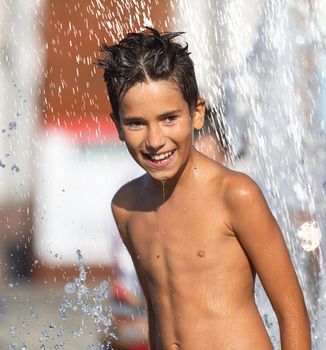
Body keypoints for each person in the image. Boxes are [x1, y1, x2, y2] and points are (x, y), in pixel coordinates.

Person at [97, 28, 311, 350]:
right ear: (117, 125)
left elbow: (291, 310)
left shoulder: (235, 195)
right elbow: (158, 312)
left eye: (169, 118)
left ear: (197, 114)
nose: (155, 140)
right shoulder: (126, 207)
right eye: (137, 123)